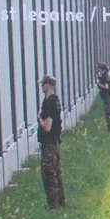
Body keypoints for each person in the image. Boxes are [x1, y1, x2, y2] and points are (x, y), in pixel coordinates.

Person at [38, 75, 65, 209]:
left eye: (43, 84)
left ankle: (53, 205)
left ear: (48, 85)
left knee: (49, 173)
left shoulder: (49, 103)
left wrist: (40, 119)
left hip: (48, 143)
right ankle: (61, 201)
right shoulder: (56, 101)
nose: (41, 86)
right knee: (57, 172)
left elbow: (47, 127)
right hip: (55, 142)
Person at [97, 62, 110, 132]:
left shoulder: (104, 76)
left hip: (108, 96)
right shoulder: (106, 75)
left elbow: (106, 87)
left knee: (108, 112)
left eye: (99, 69)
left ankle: (109, 128)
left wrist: (99, 85)